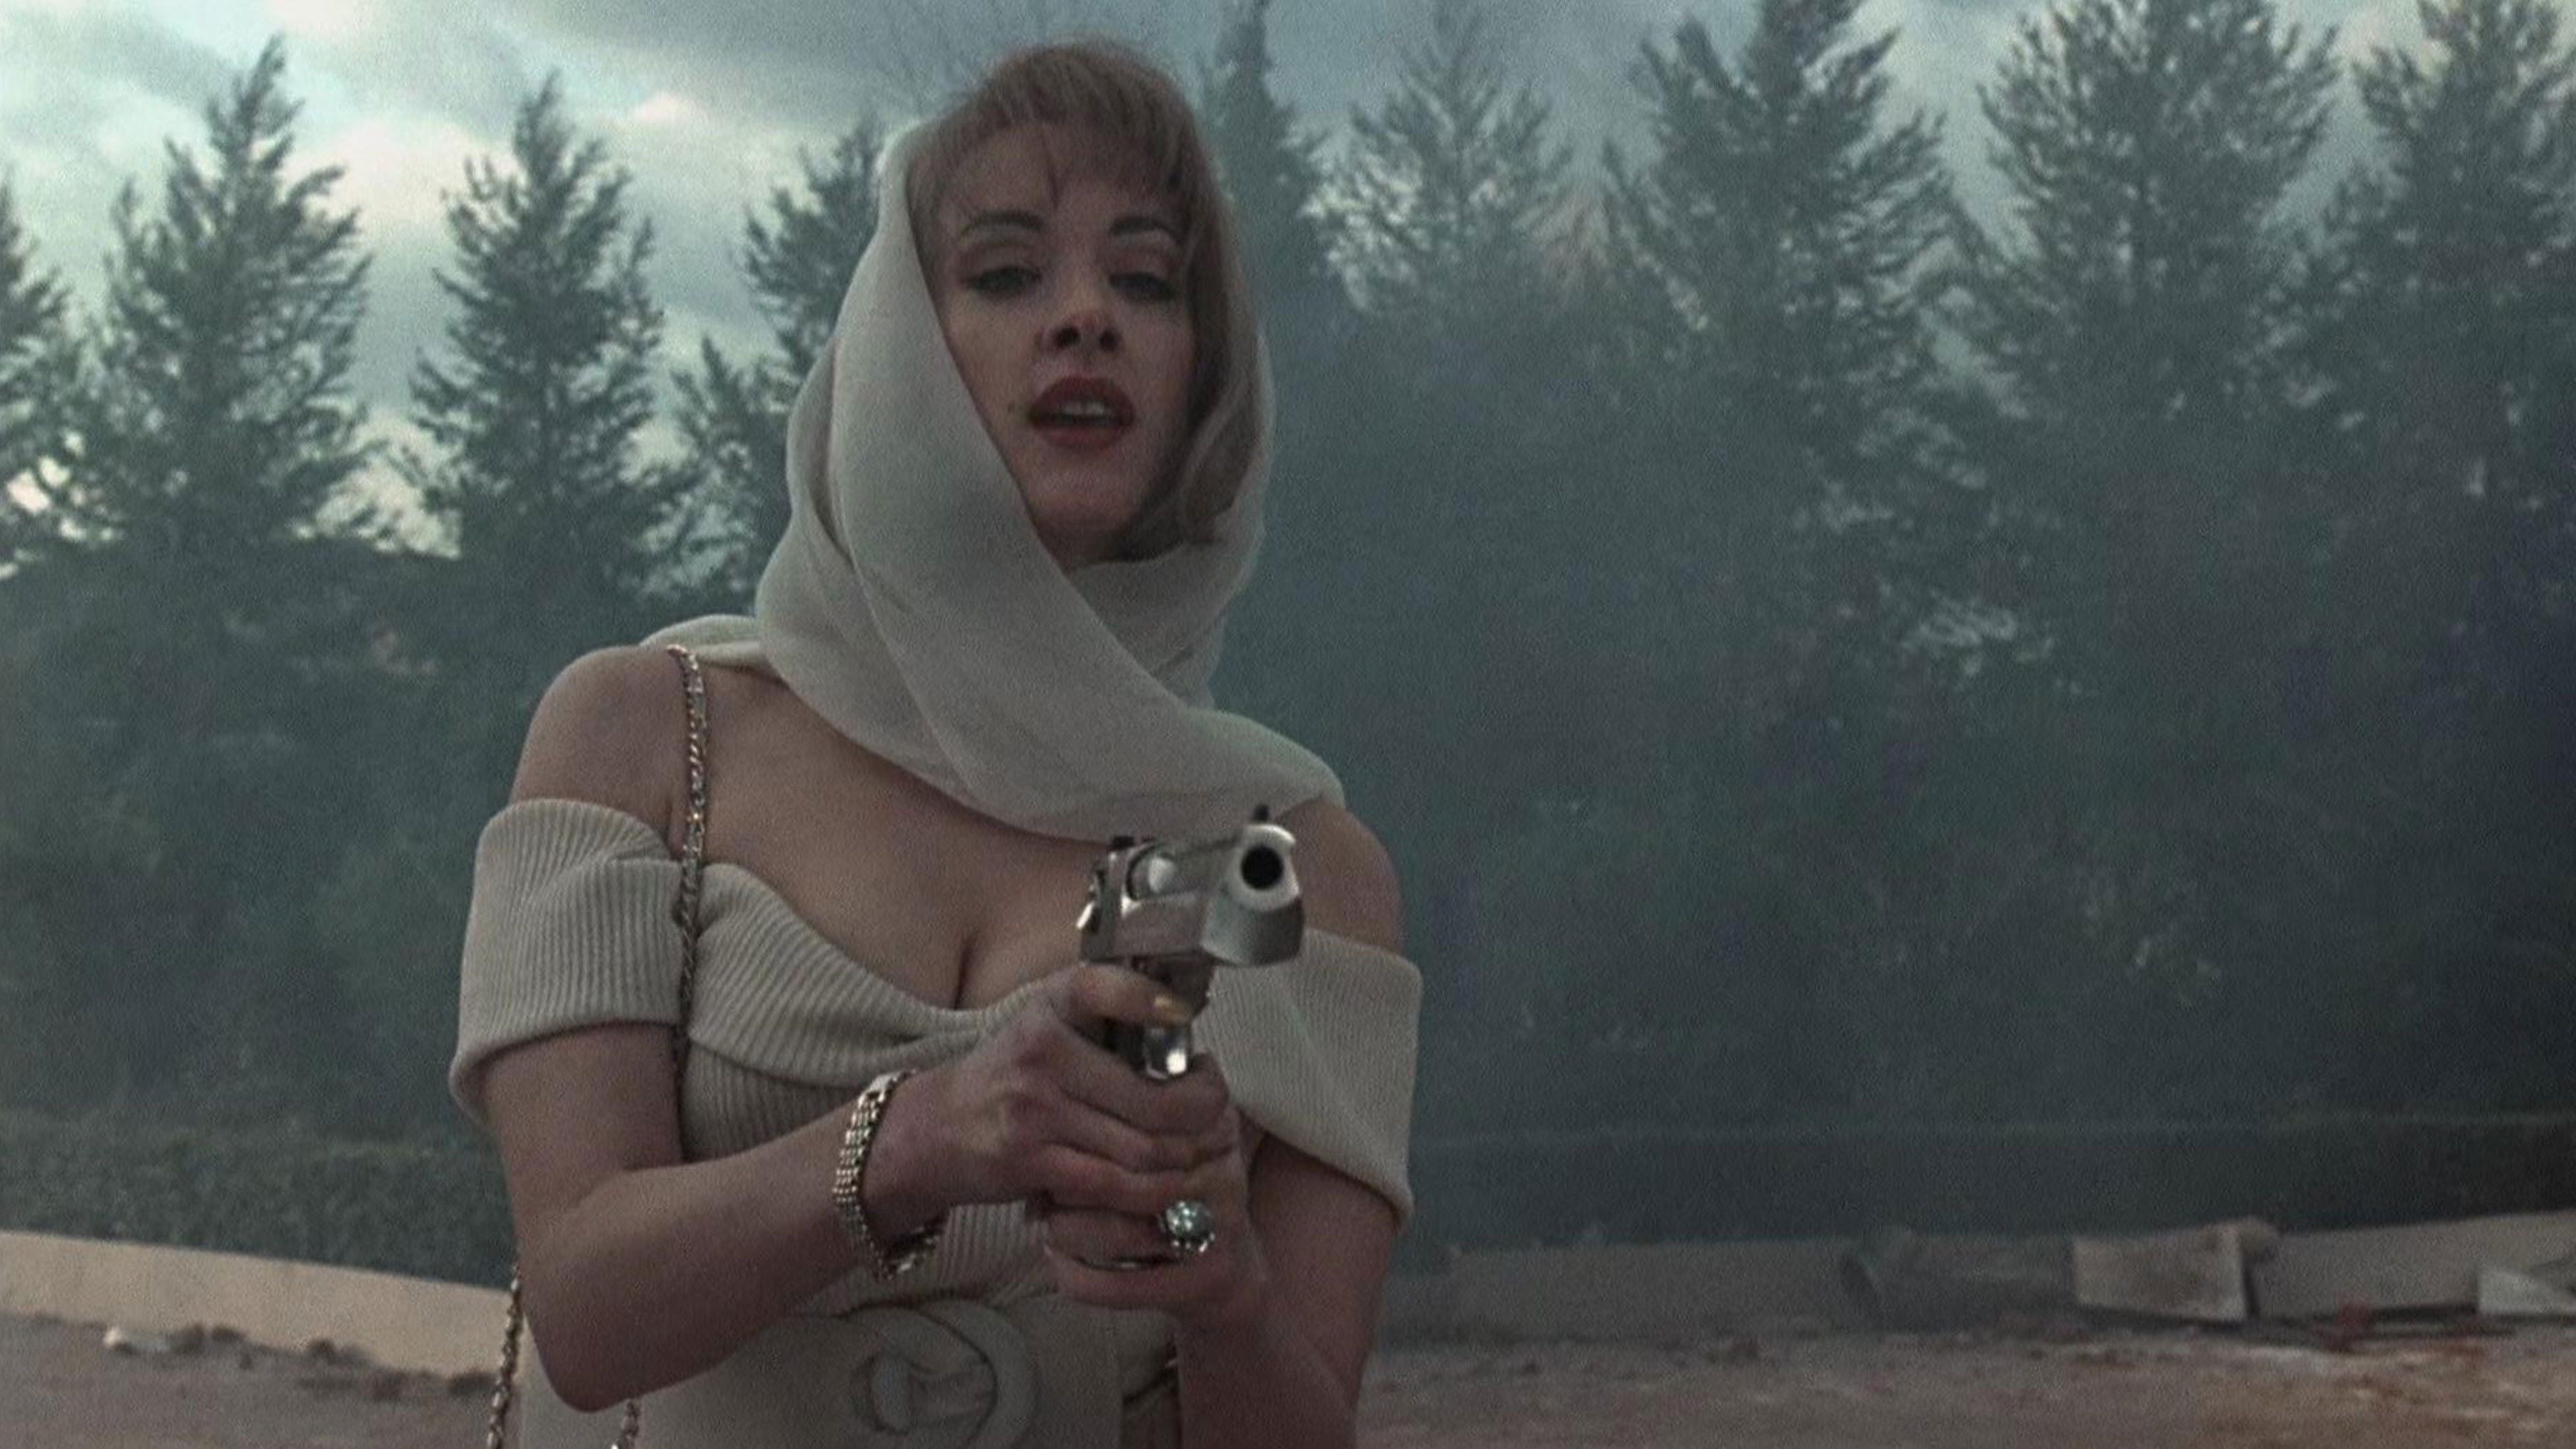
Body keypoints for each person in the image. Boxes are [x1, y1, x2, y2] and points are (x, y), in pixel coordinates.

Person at [447, 39, 1421, 1449]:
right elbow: (588, 1310)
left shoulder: (1295, 868)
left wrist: (1214, 1283)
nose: (1085, 318)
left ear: (1208, 371)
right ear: (898, 344)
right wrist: (924, 1135)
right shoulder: (651, 734)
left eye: (1148, 281)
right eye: (1007, 272)